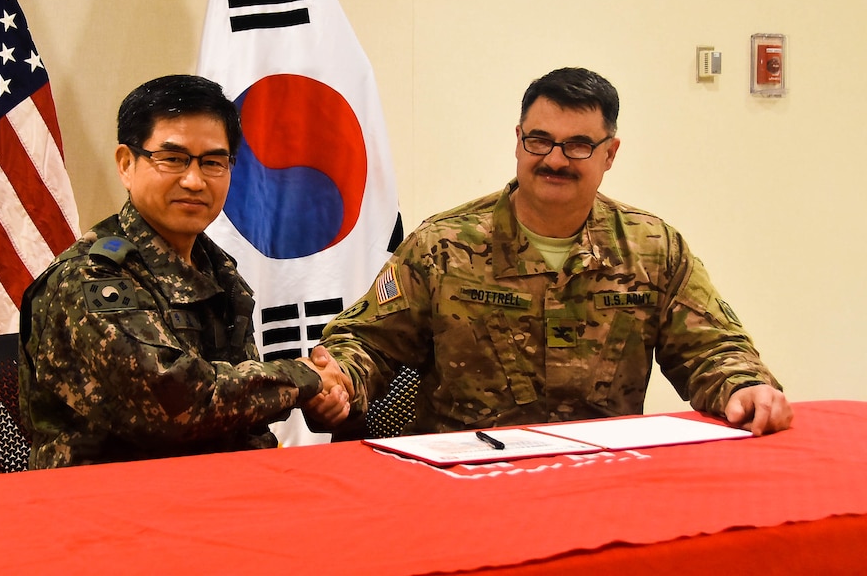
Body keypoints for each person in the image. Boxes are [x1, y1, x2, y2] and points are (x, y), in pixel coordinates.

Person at [308, 67, 792, 438]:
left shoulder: (652, 249)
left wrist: (743, 385)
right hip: (468, 484)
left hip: (602, 483)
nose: (555, 160)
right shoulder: (443, 246)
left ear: (610, 153)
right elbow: (368, 341)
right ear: (518, 141)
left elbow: (713, 348)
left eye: (578, 145)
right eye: (540, 140)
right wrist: (341, 379)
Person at [19, 74, 350, 467]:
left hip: (220, 492)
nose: (194, 181)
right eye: (173, 159)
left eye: (213, 162)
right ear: (127, 164)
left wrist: (319, 398)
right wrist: (304, 379)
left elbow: (240, 412)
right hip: (109, 507)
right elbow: (178, 405)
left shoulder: (217, 269)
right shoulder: (89, 279)